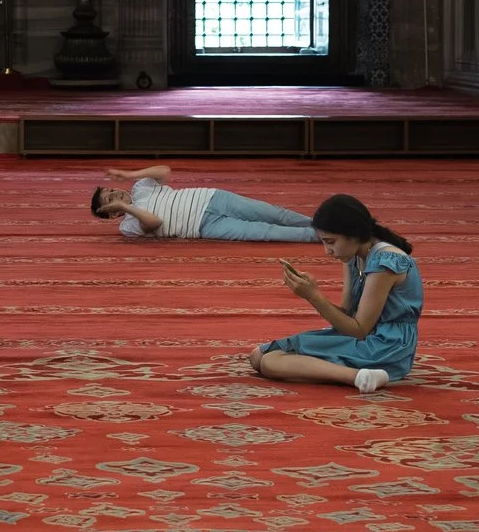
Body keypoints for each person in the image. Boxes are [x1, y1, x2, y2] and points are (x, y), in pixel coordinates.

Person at [250, 195, 421, 394]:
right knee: (258, 356)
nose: (327, 251)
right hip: (365, 337)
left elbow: (359, 329)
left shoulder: (385, 263)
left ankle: (360, 377)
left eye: (330, 242)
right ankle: (353, 373)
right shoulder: (354, 256)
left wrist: (313, 296)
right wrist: (311, 291)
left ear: (354, 234)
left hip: (385, 346)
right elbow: (347, 315)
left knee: (271, 362)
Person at [91, 164, 318, 243]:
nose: (116, 193)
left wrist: (129, 174)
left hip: (212, 198)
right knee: (265, 232)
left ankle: (320, 223)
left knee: (275, 214)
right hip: (205, 226)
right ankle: (321, 236)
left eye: (112, 190)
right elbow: (154, 222)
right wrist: (125, 208)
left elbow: (164, 171)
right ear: (111, 214)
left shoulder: (141, 187)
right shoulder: (127, 226)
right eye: (111, 199)